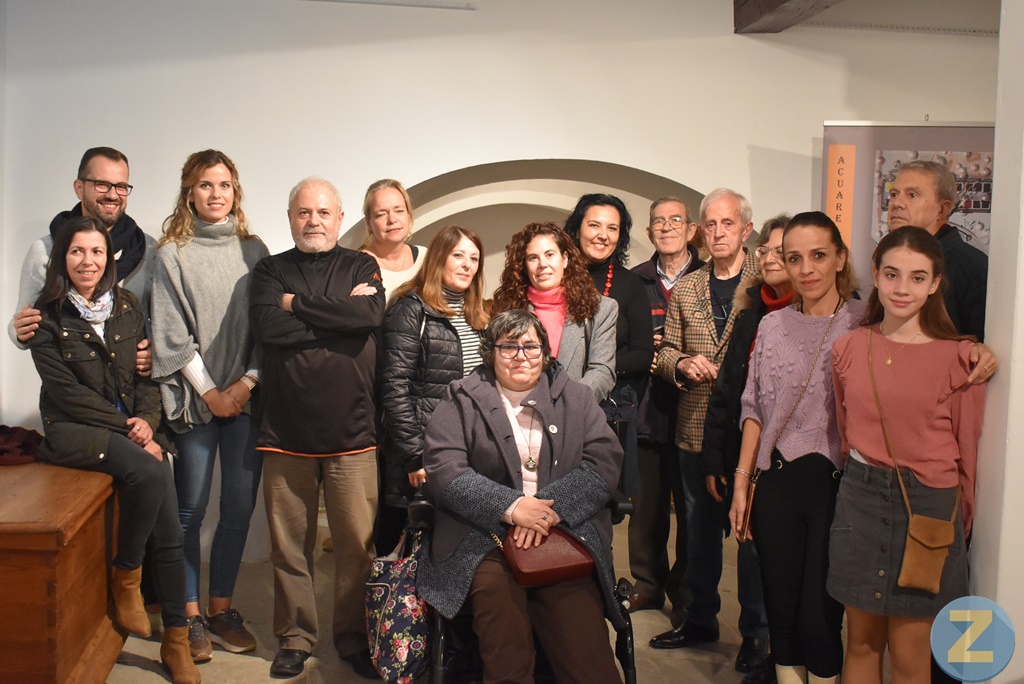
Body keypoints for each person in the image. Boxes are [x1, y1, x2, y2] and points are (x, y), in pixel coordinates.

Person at [28, 217, 200, 684]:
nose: (88, 261)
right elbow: (65, 395)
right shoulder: (46, 317)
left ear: (109, 258)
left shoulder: (126, 306)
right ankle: (127, 574)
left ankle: (176, 640)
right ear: (63, 258)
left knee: (169, 517)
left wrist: (148, 421)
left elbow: (146, 377)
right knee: (149, 471)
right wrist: (131, 428)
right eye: (77, 252)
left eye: (97, 252)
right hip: (75, 430)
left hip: (131, 429)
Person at [418, 309, 625, 684]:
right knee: (505, 643)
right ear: (490, 352)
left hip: (563, 535)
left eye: (530, 346)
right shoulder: (460, 398)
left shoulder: (576, 398)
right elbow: (444, 468)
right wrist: (512, 508)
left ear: (546, 352)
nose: (520, 356)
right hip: (483, 538)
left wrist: (546, 513)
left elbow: (604, 462)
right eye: (508, 346)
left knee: (588, 658)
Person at [830, 227, 987, 684]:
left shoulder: (960, 359)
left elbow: (967, 455)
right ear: (875, 276)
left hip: (930, 507)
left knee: (910, 651)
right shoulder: (850, 347)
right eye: (892, 274)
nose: (902, 288)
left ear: (936, 283)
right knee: (859, 643)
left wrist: (962, 522)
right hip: (860, 497)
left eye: (917, 277)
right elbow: (847, 429)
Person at [249, 177, 385, 680]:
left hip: (354, 432)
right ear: (290, 217)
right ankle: (295, 638)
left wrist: (296, 306)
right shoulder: (269, 270)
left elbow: (369, 312)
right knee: (289, 548)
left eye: (323, 212)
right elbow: (268, 329)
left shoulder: (361, 264)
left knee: (356, 548)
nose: (314, 221)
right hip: (285, 431)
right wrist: (339, 316)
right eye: (304, 212)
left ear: (339, 215)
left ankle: (352, 639)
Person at [727, 211, 861, 684]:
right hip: (777, 482)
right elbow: (754, 407)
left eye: (819, 256)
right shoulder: (772, 325)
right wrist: (743, 482)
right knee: (781, 614)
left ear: (841, 258)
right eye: (794, 257)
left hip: (837, 488)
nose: (807, 268)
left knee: (819, 618)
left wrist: (974, 348)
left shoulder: (865, 322)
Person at [150, 150, 269, 661]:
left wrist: (243, 386)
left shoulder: (255, 249)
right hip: (196, 403)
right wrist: (212, 393)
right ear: (189, 192)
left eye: (224, 184)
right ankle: (189, 616)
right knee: (189, 510)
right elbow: (170, 333)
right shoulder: (170, 253)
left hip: (247, 397)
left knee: (239, 509)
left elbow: (268, 329)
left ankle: (221, 609)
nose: (215, 194)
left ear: (235, 192)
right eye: (205, 185)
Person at [651, 188, 759, 651]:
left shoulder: (765, 284)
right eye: (710, 225)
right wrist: (681, 364)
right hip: (694, 427)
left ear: (746, 229)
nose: (717, 233)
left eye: (727, 224)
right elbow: (665, 351)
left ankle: (757, 633)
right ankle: (700, 620)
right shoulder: (688, 286)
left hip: (749, 432)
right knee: (698, 535)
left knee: (753, 541)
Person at [703, 215, 793, 680]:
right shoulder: (750, 312)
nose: (774, 258)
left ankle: (788, 643)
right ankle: (756, 634)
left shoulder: (836, 314)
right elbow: (729, 392)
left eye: (786, 251)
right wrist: (717, 459)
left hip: (804, 460)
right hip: (749, 453)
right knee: (752, 547)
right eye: (770, 251)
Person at [377, 225, 489, 549]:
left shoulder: (478, 318)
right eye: (458, 255)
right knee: (401, 549)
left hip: (464, 452)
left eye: (474, 258)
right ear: (439, 258)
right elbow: (393, 387)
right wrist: (414, 455)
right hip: (420, 453)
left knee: (452, 548)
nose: (467, 264)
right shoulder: (410, 309)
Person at [11, 146, 153, 376]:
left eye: (121, 186)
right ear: (79, 188)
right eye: (102, 184)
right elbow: (21, 324)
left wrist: (156, 349)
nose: (112, 194)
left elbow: (161, 322)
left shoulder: (149, 249)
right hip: (72, 389)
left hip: (135, 389)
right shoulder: (46, 250)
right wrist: (19, 330)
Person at [628, 196, 703, 627]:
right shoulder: (634, 280)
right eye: (659, 221)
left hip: (696, 408)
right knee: (648, 507)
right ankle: (647, 583)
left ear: (691, 229)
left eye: (676, 220)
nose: (667, 227)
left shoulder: (707, 276)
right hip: (648, 408)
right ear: (650, 231)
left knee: (693, 509)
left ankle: (687, 589)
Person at [563, 193, 655, 495]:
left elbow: (643, 354)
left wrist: (596, 371)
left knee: (600, 500)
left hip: (608, 407)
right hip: (551, 405)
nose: (603, 235)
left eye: (613, 228)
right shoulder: (554, 275)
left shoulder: (630, 284)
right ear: (577, 228)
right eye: (594, 225)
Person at [492, 222, 617, 402]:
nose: (542, 264)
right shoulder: (507, 307)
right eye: (533, 258)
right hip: (516, 413)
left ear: (565, 259)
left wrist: (563, 404)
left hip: (574, 413)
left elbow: (602, 372)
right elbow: (497, 366)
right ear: (524, 266)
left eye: (550, 255)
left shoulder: (601, 309)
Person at [887, 160, 988, 341]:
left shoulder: (975, 268)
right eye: (894, 194)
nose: (896, 203)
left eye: (912, 195)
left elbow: (979, 349)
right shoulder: (886, 258)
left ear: (942, 210)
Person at [360, 178, 428, 297]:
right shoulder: (357, 266)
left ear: (408, 215)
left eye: (399, 211)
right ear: (369, 223)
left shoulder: (426, 258)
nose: (392, 219)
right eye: (381, 214)